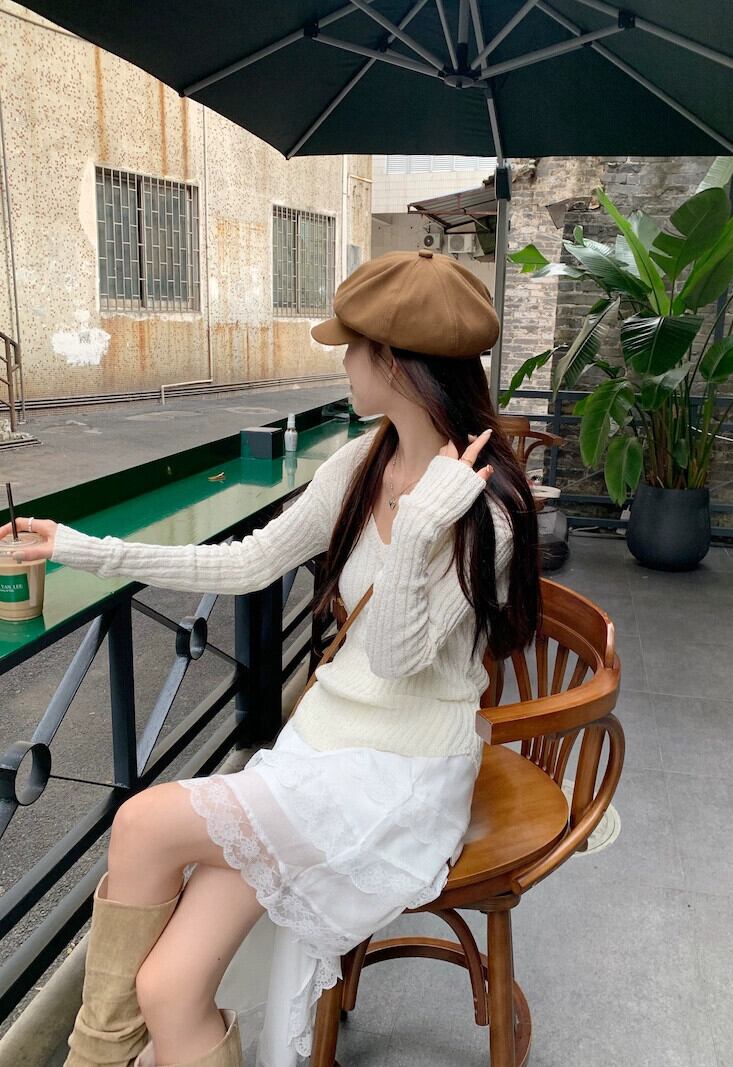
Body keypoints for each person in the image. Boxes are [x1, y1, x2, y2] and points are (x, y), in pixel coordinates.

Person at [2, 249, 540, 1067]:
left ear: (394, 363)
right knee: (168, 989)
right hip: (317, 754)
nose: (343, 364)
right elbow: (248, 561)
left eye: (351, 349)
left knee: (141, 821)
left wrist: (421, 526)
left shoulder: (485, 509)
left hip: (397, 778)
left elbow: (396, 660)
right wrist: (84, 547)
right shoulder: (363, 462)